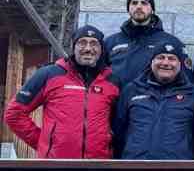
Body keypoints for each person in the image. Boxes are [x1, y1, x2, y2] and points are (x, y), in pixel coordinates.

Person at [5, 26, 120, 159]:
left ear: (101, 49)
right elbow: (14, 114)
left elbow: (119, 122)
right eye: (82, 42)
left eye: (94, 43)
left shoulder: (112, 81)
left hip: (98, 163)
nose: (88, 49)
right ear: (73, 47)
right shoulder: (49, 74)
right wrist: (44, 143)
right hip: (56, 163)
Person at [114, 42, 194, 159]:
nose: (165, 63)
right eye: (160, 57)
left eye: (172, 59)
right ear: (151, 62)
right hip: (135, 164)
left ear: (180, 64)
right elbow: (119, 130)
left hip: (179, 166)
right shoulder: (131, 90)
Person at [103, 0, 188, 84]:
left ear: (152, 9)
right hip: (117, 97)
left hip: (153, 98)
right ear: (128, 8)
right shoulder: (111, 42)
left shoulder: (171, 42)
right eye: (134, 3)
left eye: (144, 3)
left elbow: (186, 82)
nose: (139, 6)